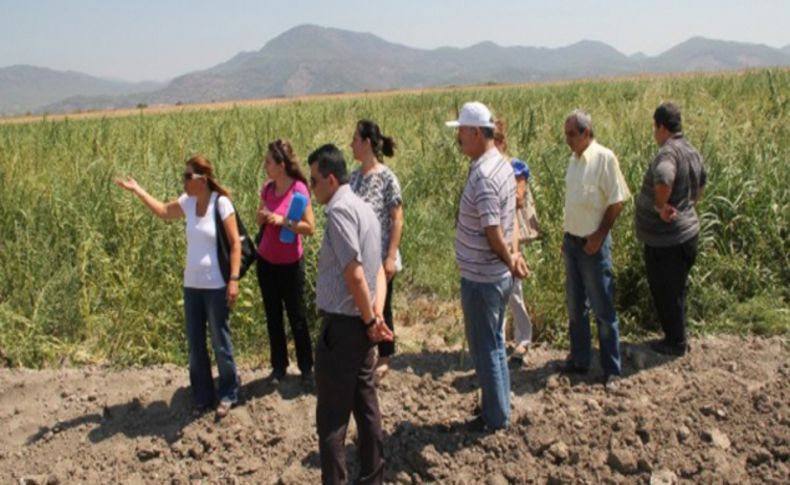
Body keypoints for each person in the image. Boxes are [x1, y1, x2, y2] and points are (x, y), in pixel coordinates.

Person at [114, 156, 241, 418]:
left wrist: (234, 279)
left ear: (202, 180)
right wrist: (137, 190)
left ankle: (229, 393)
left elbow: (236, 243)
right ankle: (203, 396)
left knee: (220, 341)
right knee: (195, 344)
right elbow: (162, 211)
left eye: (187, 176)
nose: (183, 180)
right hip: (192, 286)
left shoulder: (222, 203)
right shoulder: (188, 203)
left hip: (216, 285)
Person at [308, 144, 393, 484]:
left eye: (314, 180)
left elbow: (356, 273)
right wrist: (374, 317)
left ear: (330, 179)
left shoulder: (340, 211)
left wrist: (372, 320)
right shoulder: (365, 208)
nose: (312, 188)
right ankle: (374, 478)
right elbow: (377, 274)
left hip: (343, 328)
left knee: (331, 421)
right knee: (367, 409)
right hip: (360, 325)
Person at [447, 101, 527, 431]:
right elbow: (509, 224)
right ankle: (498, 408)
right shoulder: (503, 165)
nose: (459, 138)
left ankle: (494, 418)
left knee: (488, 349)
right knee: (493, 343)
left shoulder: (483, 174)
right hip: (495, 275)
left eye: (462, 132)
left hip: (483, 279)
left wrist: (510, 259)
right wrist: (513, 258)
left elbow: (493, 230)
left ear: (477, 132)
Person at [561, 109, 631, 385]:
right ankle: (580, 360)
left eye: (571, 134)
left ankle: (611, 369)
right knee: (576, 307)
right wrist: (567, 239)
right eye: (566, 134)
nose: (567, 139)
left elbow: (617, 201)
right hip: (573, 243)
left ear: (587, 132)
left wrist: (599, 235)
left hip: (593, 246)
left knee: (603, 309)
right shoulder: (573, 161)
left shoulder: (604, 158)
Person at [635, 102, 707, 356]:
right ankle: (677, 335)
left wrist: (660, 205)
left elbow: (664, 177)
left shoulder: (668, 153)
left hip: (668, 241)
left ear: (661, 127)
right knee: (676, 289)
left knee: (667, 290)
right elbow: (700, 187)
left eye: (655, 128)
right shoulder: (691, 150)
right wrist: (687, 206)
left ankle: (675, 342)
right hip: (686, 234)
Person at [255, 139, 315, 384]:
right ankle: (279, 366)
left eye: (268, 161)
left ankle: (306, 368)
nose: (265, 165)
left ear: (281, 165)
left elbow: (310, 227)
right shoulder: (268, 189)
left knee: (297, 316)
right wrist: (262, 218)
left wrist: (283, 221)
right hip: (266, 261)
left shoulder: (299, 189)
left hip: (290, 264)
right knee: (273, 316)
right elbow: (260, 219)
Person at [349, 119, 404, 382]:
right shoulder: (354, 178)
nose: (351, 145)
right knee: (363, 306)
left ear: (367, 143)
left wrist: (390, 256)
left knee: (383, 305)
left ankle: (385, 356)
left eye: (355, 140)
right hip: (360, 257)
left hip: (381, 256)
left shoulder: (387, 178)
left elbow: (397, 219)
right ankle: (366, 353)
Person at [493, 120, 534, 365]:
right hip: (495, 234)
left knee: (514, 291)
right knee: (498, 291)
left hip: (511, 233)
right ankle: (501, 338)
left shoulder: (514, 167)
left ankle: (523, 338)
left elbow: (518, 198)